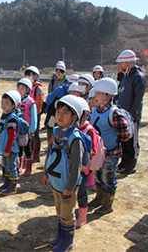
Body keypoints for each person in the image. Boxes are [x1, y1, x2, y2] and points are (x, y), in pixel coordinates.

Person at [43, 95, 85, 252]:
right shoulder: (56, 132)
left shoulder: (75, 138)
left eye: (65, 113)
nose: (59, 115)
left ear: (74, 117)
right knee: (60, 211)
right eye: (58, 112)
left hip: (67, 185)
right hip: (56, 182)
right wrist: (46, 173)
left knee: (67, 214)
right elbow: (50, 153)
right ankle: (60, 237)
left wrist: (70, 186)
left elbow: (76, 166)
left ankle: (67, 242)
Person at [89, 78, 132, 214]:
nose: (95, 96)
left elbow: (125, 134)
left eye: (98, 94)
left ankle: (108, 204)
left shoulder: (114, 113)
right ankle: (99, 198)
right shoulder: (95, 110)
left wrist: (113, 143)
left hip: (111, 152)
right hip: (97, 152)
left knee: (108, 177)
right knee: (97, 175)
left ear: (108, 96)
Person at [116, 49, 146, 175]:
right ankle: (124, 162)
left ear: (128, 63)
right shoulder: (125, 77)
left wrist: (132, 115)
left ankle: (132, 165)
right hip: (123, 115)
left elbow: (138, 99)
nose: (119, 66)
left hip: (132, 117)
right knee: (125, 141)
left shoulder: (138, 77)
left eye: (120, 64)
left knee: (133, 142)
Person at [76, 98, 100, 227]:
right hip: (71, 167)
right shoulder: (70, 128)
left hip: (82, 168)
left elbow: (93, 150)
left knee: (81, 192)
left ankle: (82, 215)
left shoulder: (89, 130)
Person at [0, 90, 21, 195]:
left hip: (10, 149)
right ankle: (6, 184)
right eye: (2, 102)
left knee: (11, 167)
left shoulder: (12, 119)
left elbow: (12, 136)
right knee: (5, 166)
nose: (3, 105)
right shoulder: (4, 115)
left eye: (7, 103)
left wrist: (7, 150)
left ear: (13, 105)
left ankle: (12, 186)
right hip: (4, 148)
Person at [16, 78, 37, 177]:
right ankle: (19, 165)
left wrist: (32, 130)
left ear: (28, 90)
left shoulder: (31, 102)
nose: (20, 91)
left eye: (22, 88)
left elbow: (34, 117)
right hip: (17, 130)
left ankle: (28, 168)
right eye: (19, 88)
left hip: (26, 131)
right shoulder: (16, 100)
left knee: (27, 148)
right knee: (19, 148)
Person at [25, 66, 44, 163]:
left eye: (30, 74)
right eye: (27, 74)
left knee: (35, 134)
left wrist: (35, 114)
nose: (28, 76)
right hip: (27, 114)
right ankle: (30, 153)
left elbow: (39, 103)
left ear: (35, 76)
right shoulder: (27, 86)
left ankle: (36, 155)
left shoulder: (38, 88)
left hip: (35, 115)